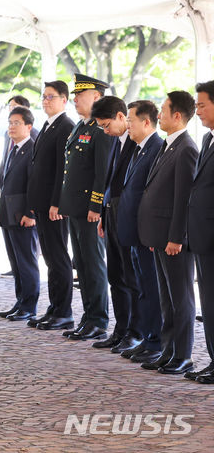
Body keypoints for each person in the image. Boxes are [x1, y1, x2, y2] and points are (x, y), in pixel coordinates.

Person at [138, 91, 198, 375]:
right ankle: (169, 350)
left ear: (177, 115)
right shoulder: (168, 145)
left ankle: (183, 354)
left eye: (163, 110)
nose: (158, 115)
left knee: (181, 297)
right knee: (167, 297)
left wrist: (176, 237)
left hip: (174, 239)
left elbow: (184, 198)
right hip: (160, 236)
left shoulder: (186, 147)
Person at [58, 74, 115, 341]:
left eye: (80, 95)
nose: (75, 99)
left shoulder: (100, 130)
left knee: (93, 265)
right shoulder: (80, 126)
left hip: (89, 209)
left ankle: (99, 320)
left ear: (97, 97)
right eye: (75, 95)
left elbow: (102, 172)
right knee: (81, 264)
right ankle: (88, 316)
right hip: (75, 208)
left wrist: (96, 205)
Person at [116, 100, 164, 364]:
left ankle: (155, 341)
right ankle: (147, 338)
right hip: (135, 232)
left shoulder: (156, 147)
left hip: (146, 234)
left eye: (131, 121)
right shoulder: (139, 149)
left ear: (146, 122)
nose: (128, 125)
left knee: (151, 289)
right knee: (142, 288)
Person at [26, 80, 76, 331]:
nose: (46, 101)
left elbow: (62, 171)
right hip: (43, 203)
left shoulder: (66, 125)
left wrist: (57, 202)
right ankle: (55, 307)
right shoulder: (48, 125)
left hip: (54, 206)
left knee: (58, 258)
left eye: (51, 97)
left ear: (64, 100)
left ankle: (64, 311)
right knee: (50, 258)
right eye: (44, 97)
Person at [90, 96, 139, 352]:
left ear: (122, 117)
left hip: (126, 217)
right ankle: (120, 330)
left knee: (130, 278)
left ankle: (135, 332)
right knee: (115, 277)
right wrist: (102, 215)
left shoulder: (135, 143)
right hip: (110, 216)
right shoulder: (114, 142)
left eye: (106, 124)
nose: (105, 130)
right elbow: (108, 182)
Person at [0, 106, 39, 321]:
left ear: (29, 126)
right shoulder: (13, 148)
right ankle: (20, 302)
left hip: (23, 214)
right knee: (15, 262)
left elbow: (35, 183)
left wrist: (31, 212)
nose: (11, 127)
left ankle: (29, 306)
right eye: (10, 123)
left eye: (16, 123)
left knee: (26, 261)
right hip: (8, 212)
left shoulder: (32, 148)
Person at [186, 80, 214, 383]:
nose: (198, 111)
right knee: (208, 303)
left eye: (202, 104)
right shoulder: (207, 140)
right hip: (202, 237)